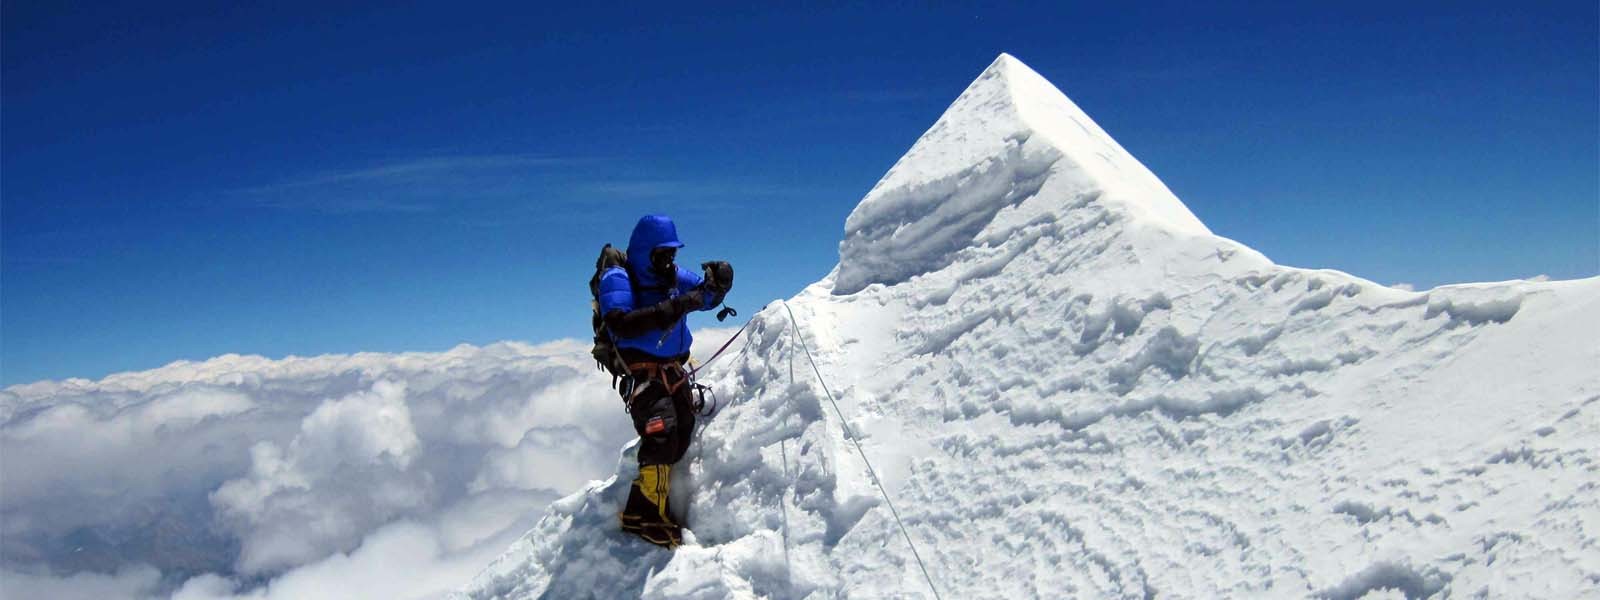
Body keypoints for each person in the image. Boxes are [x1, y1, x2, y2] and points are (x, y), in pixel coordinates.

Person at [596, 214, 733, 548]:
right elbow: (622, 324)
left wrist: (719, 285)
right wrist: (677, 305)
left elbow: (702, 297)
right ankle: (646, 517)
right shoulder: (618, 277)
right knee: (662, 433)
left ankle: (645, 509)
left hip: (671, 371)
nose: (669, 260)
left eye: (672, 253)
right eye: (663, 253)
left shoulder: (670, 276)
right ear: (646, 251)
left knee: (681, 431)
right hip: (643, 374)